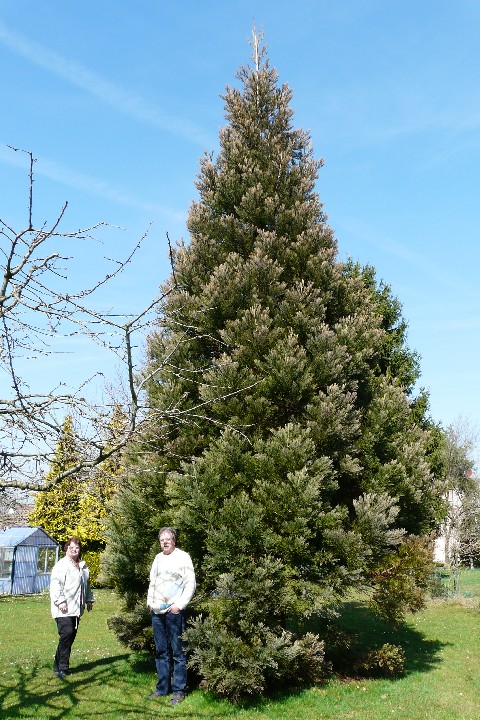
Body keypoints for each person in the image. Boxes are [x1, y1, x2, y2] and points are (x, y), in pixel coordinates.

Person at [147, 526, 196, 705]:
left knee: (178, 653)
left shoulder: (183, 557)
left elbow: (190, 583)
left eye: (168, 539)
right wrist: (149, 603)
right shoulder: (158, 559)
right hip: (157, 612)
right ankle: (162, 689)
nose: (165, 542)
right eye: (162, 540)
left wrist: (180, 605)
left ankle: (179, 691)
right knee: (161, 652)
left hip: (174, 612)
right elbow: (152, 582)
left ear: (174, 541)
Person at [49, 536, 94, 679]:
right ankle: (63, 668)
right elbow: (56, 585)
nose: (74, 550)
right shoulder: (61, 565)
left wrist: (89, 600)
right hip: (63, 608)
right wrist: (60, 601)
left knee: (69, 637)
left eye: (77, 547)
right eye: (71, 547)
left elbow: (86, 585)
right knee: (66, 633)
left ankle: (57, 664)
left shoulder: (82, 566)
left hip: (76, 608)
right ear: (66, 548)